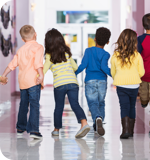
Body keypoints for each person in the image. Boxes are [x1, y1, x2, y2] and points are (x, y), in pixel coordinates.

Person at [42, 28, 90, 138]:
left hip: (59, 84)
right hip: (73, 82)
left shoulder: (50, 55)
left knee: (59, 107)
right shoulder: (66, 53)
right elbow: (75, 67)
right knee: (75, 104)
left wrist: (37, 79)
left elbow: (44, 70)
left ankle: (56, 130)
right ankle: (84, 123)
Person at [1, 25, 44, 139]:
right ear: (35, 34)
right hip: (34, 81)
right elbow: (38, 63)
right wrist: (41, 74)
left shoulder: (20, 50)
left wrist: (3, 75)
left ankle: (20, 128)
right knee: (34, 105)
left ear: (22, 39)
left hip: (23, 82)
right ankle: (34, 130)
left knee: (23, 104)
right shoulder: (38, 47)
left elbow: (12, 65)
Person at [75, 27, 111, 136]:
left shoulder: (88, 51)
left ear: (95, 39)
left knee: (92, 103)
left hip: (90, 81)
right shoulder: (106, 54)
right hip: (102, 82)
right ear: (107, 42)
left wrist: (74, 73)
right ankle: (98, 125)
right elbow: (104, 68)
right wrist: (115, 75)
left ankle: (97, 118)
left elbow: (83, 65)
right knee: (101, 103)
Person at [111, 29, 145, 139]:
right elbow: (142, 72)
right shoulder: (137, 55)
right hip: (134, 84)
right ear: (134, 41)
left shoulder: (115, 55)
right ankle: (131, 131)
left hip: (121, 85)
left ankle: (125, 130)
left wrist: (118, 77)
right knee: (132, 107)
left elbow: (113, 72)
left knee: (124, 106)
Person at [138, 13, 150, 108]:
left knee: (144, 100)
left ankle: (144, 101)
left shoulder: (140, 39)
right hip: (144, 74)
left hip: (143, 74)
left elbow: (136, 57)